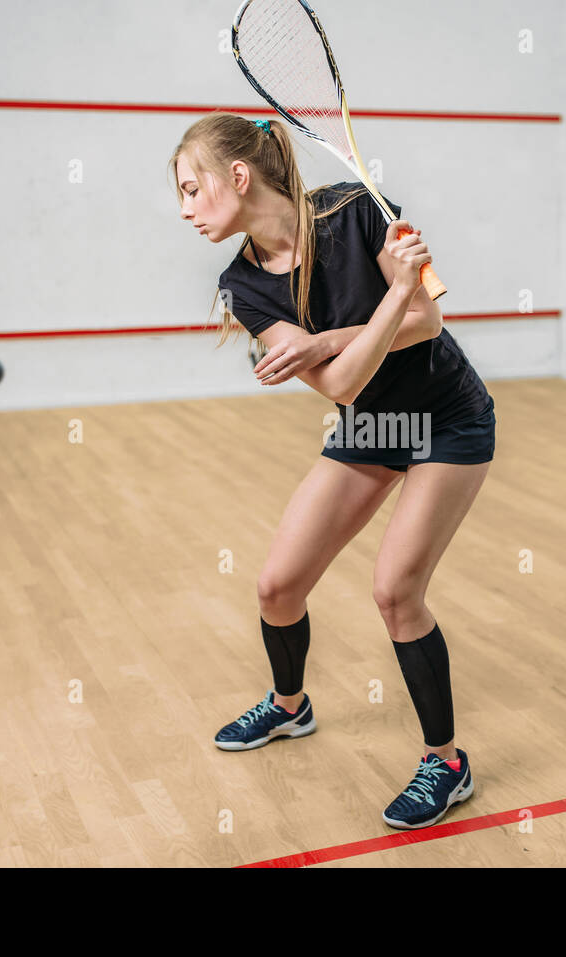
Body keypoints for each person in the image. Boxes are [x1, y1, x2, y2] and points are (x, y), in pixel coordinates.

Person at [169, 112, 495, 829]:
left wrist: (335, 334)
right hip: (370, 423)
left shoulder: (357, 208)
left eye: (193, 189)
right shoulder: (243, 286)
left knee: (395, 590)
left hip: (449, 419)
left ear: (239, 176)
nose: (186, 209)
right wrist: (368, 317)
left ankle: (447, 761)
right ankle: (291, 705)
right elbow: (346, 383)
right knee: (278, 586)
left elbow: (428, 325)